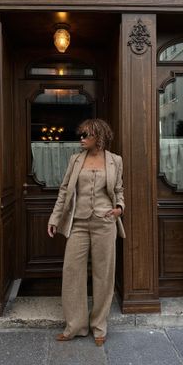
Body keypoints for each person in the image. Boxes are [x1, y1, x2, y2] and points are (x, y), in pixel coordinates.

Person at [47, 118, 126, 346]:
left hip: (105, 223)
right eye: (81, 135)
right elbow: (64, 190)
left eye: (85, 135)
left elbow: (119, 189)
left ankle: (99, 326)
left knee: (104, 276)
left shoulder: (115, 161)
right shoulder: (75, 160)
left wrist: (119, 208)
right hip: (78, 223)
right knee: (72, 272)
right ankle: (75, 326)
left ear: (98, 137)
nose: (81, 139)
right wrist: (55, 218)